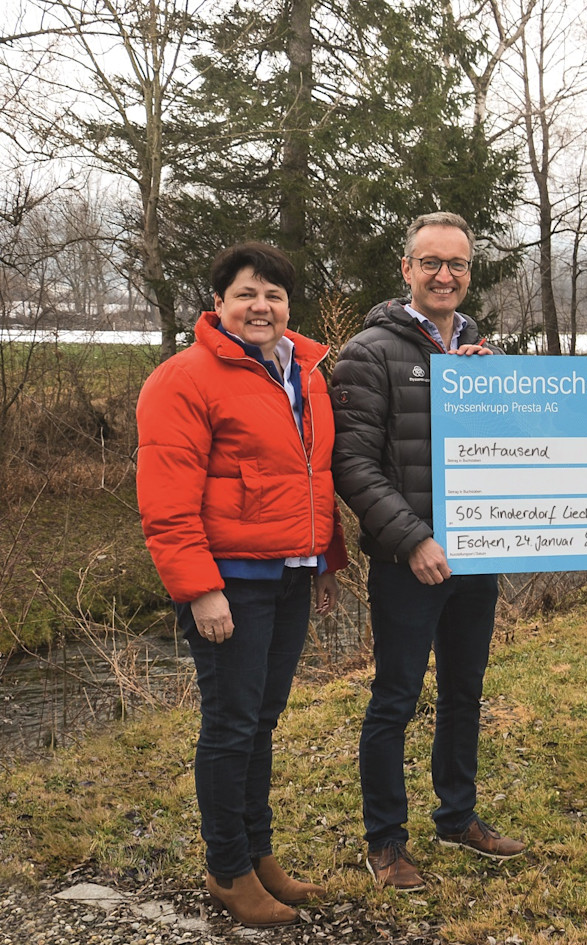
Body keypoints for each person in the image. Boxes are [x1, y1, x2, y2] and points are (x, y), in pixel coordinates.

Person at [136, 242, 346, 928]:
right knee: (231, 725)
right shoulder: (183, 378)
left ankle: (259, 854)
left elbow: (313, 476)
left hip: (290, 574)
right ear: (218, 303)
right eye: (246, 294)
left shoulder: (305, 371)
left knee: (261, 720)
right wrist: (200, 589)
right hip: (230, 582)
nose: (261, 306)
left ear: (289, 305)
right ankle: (228, 868)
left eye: (274, 295)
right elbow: (167, 500)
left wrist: (324, 560)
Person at [330, 211, 524, 892]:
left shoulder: (480, 351)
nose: (446, 275)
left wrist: (496, 390)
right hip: (407, 562)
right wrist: (413, 539)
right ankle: (385, 841)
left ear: (470, 272)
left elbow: (511, 449)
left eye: (458, 264)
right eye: (432, 262)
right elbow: (352, 465)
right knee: (396, 698)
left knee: (464, 692)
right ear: (407, 269)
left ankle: (458, 816)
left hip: (476, 555)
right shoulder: (369, 352)